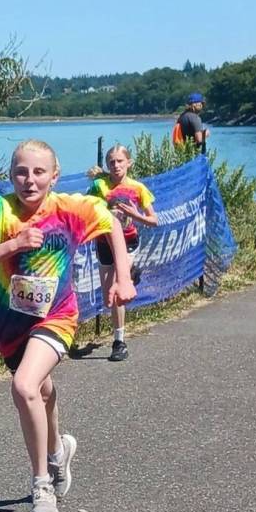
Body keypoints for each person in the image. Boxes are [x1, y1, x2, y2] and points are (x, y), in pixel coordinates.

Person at [0, 139, 135, 512]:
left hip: (56, 316)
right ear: (10, 175)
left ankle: (41, 482)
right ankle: (58, 451)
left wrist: (122, 278)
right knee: (41, 389)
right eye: (21, 171)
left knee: (24, 386)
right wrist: (13, 244)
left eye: (39, 172)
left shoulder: (71, 208)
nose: (30, 180)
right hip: (11, 325)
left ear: (54, 176)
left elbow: (113, 225)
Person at [87, 144, 158, 362]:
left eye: (120, 161)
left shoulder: (138, 189)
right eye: (112, 162)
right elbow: (88, 210)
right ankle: (131, 272)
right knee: (109, 295)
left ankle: (119, 341)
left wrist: (135, 215)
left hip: (128, 241)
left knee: (118, 290)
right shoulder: (99, 186)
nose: (116, 165)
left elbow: (154, 221)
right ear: (107, 165)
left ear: (129, 163)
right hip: (104, 242)